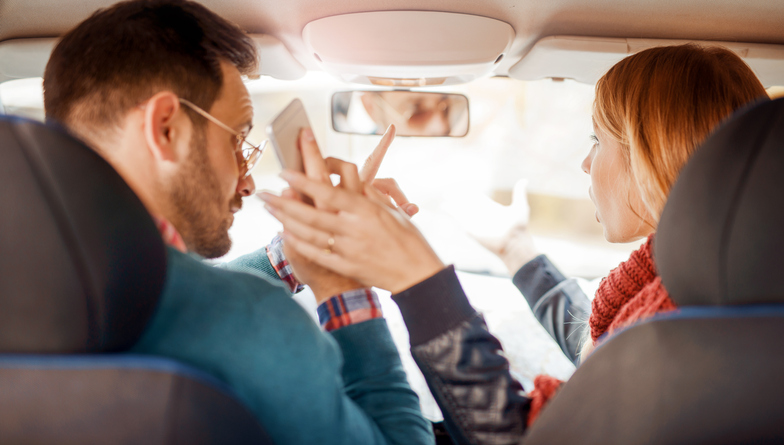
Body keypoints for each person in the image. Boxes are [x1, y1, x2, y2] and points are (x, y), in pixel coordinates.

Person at [260, 44, 769, 444]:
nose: (586, 164)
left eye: (597, 139)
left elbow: (517, 436)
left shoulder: (683, 312)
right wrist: (515, 250)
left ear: (647, 153)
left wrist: (416, 278)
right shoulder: (703, 284)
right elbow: (606, 354)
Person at [42, 1, 433, 444]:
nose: (246, 182)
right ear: (165, 128)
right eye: (236, 141)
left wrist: (284, 257)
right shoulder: (257, 323)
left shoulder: (36, 283)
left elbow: (174, 296)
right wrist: (343, 284)